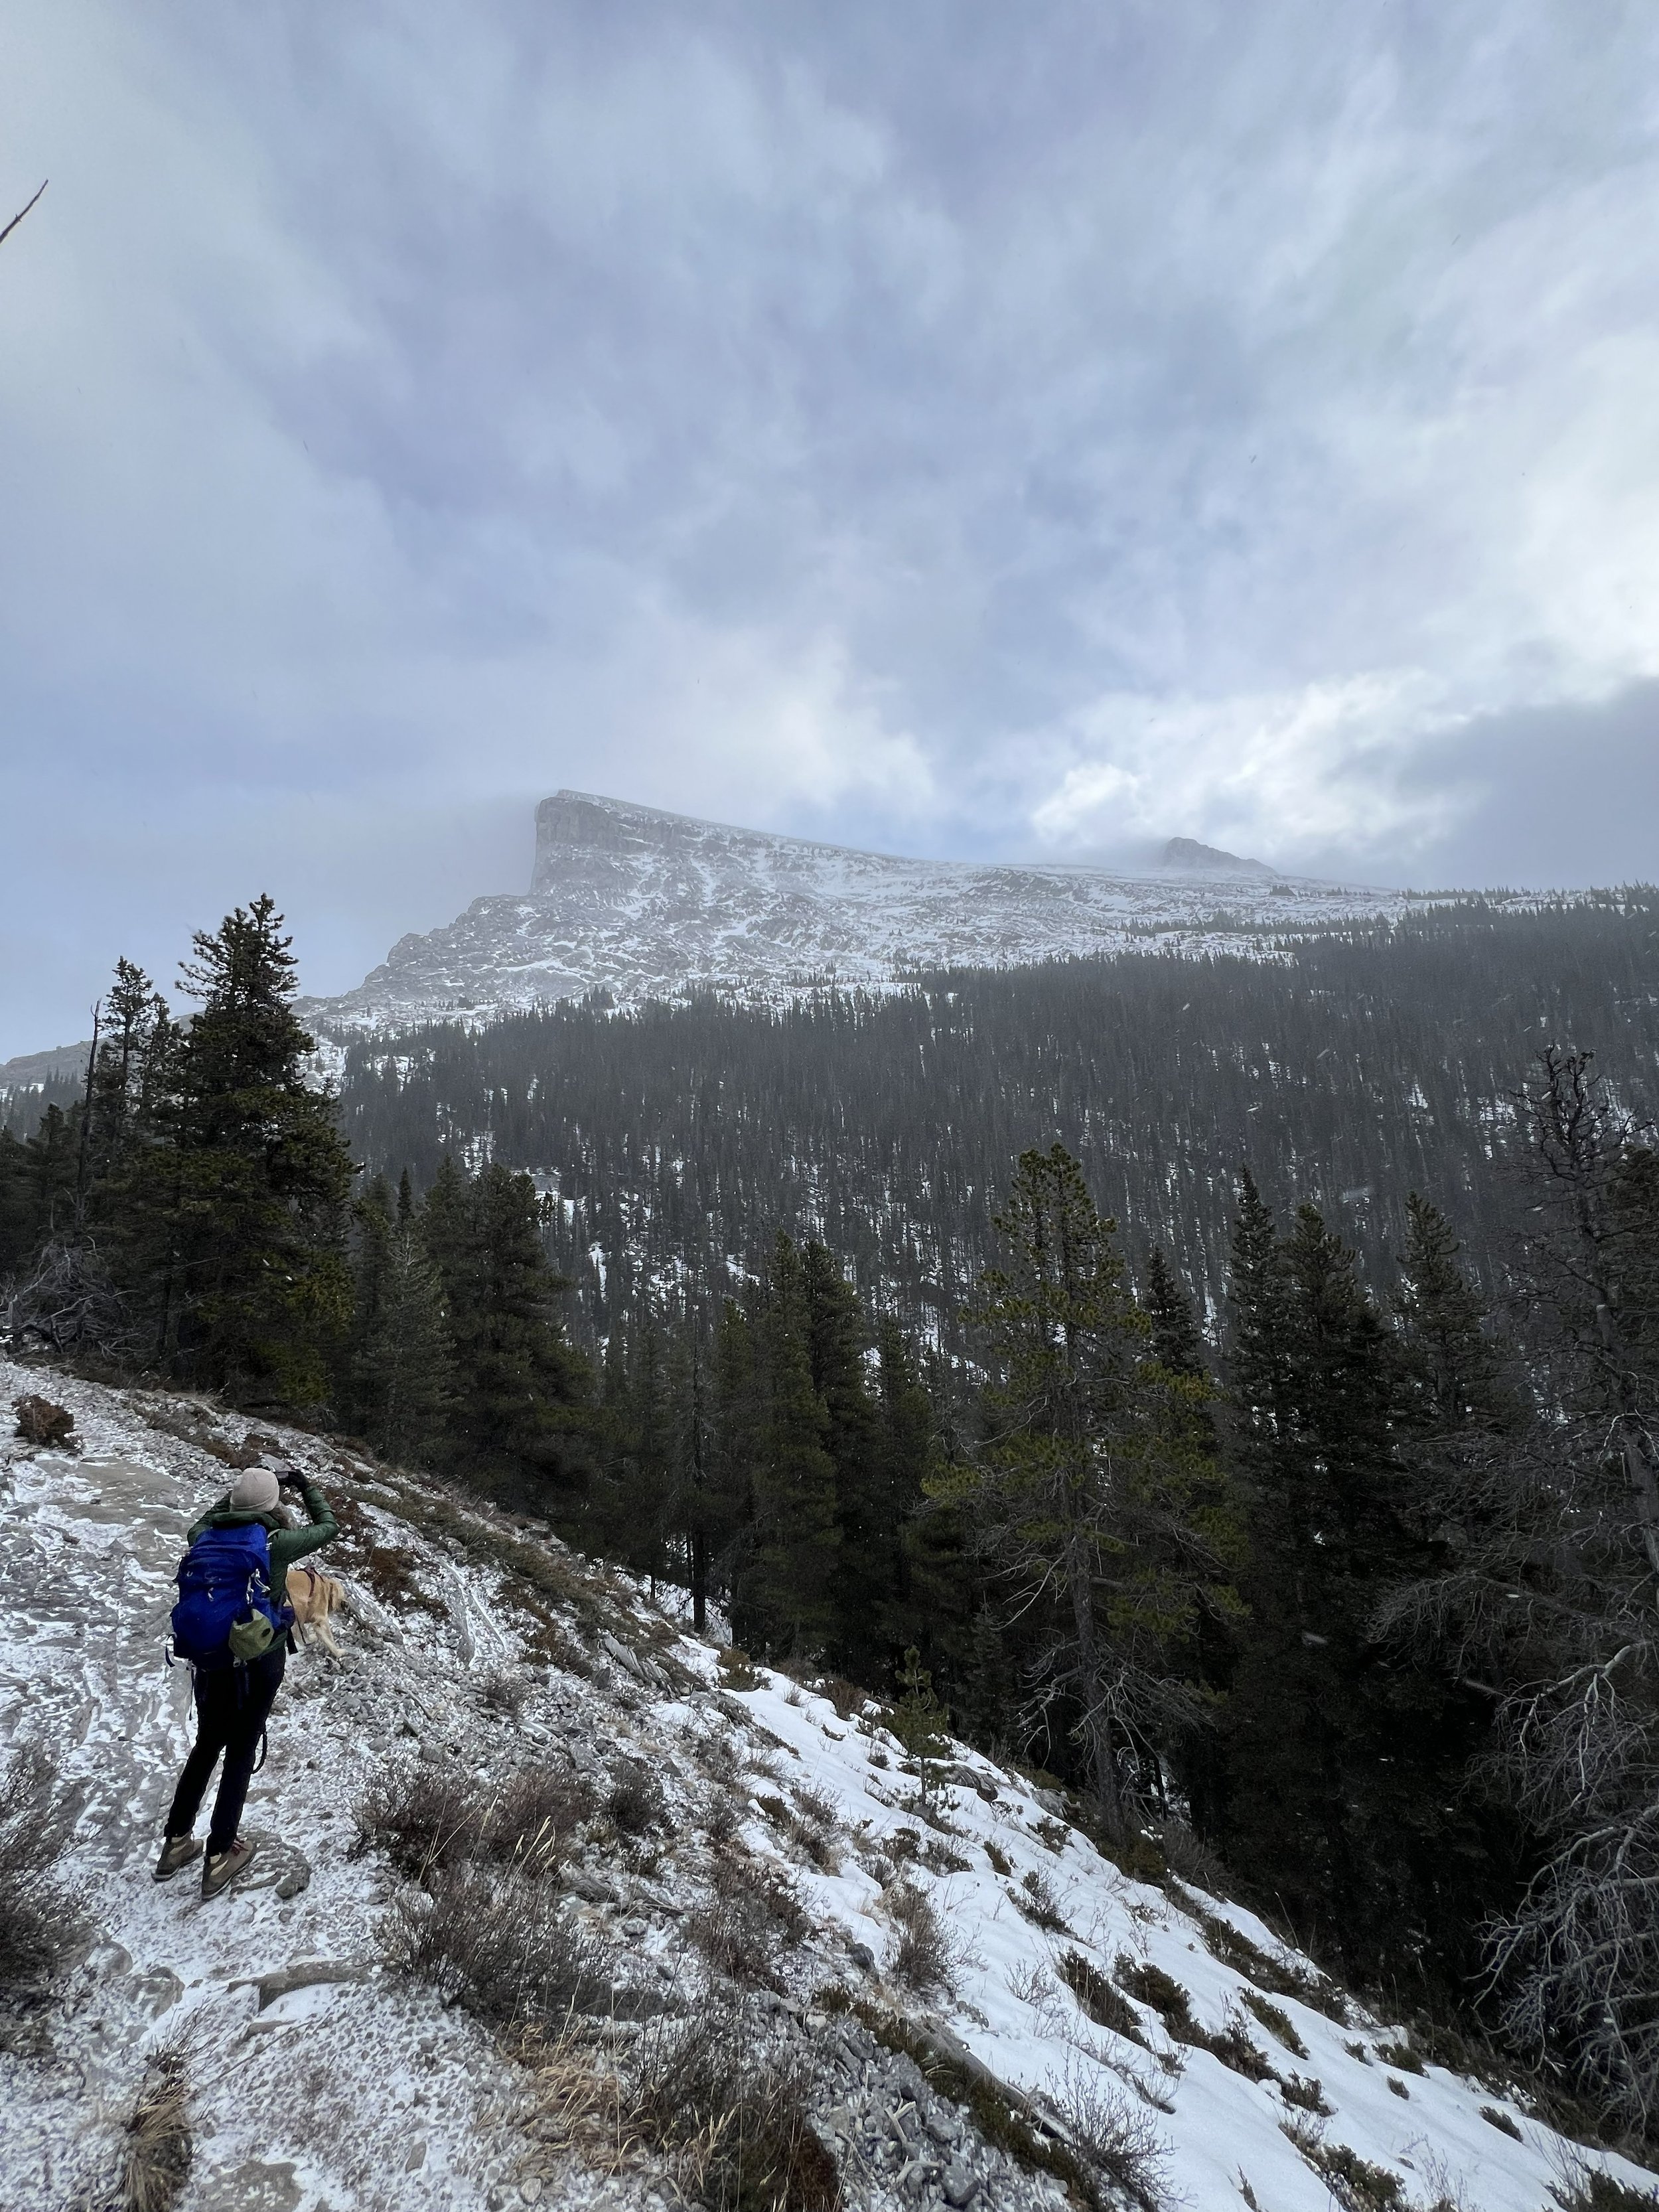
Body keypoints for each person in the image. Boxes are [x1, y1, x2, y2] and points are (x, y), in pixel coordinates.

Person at [154, 1462, 338, 1899]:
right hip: (260, 1661)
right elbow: (328, 1526)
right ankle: (220, 1855)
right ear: (272, 1506)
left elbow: (210, 1516)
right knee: (240, 1752)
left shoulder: (203, 1536)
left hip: (211, 1661)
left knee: (206, 1746)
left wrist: (235, 1496)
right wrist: (306, 1486)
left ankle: (176, 1844)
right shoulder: (276, 1543)